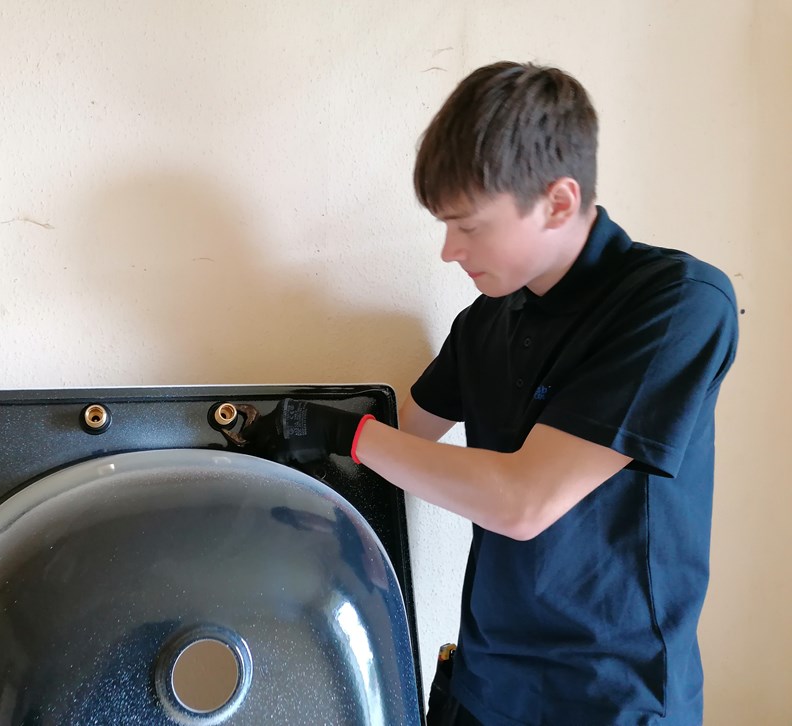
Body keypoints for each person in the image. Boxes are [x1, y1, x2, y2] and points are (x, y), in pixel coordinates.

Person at [242, 61, 739, 725]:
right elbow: (402, 444)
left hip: (612, 698)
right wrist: (280, 480)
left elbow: (522, 500)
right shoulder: (485, 324)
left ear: (559, 201)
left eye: (469, 226)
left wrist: (345, 432)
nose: (450, 250)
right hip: (481, 688)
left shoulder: (677, 303)